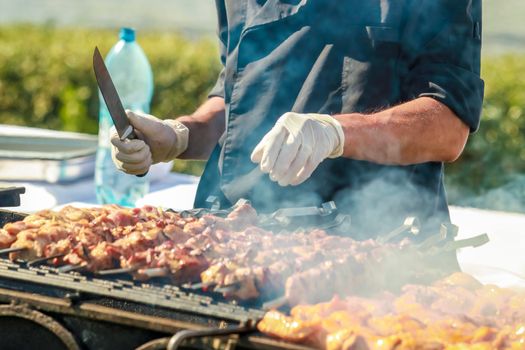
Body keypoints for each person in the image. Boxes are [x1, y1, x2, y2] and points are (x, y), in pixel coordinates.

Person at [111, 0, 483, 241]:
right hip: (235, 240)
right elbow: (237, 96)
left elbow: (447, 125)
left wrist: (334, 132)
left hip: (375, 247)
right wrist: (180, 135)